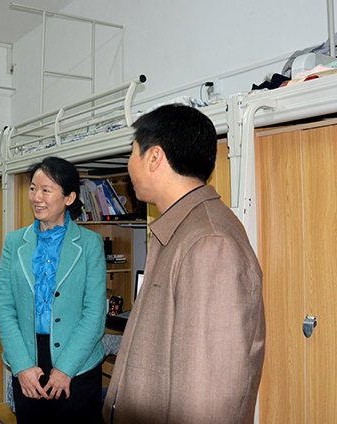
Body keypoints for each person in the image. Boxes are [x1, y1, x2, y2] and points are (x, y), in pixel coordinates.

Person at [102, 104, 265, 424]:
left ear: (154, 157)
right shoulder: (184, 230)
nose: (128, 164)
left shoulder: (209, 244)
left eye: (132, 152)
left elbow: (207, 396)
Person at [0, 156, 107, 424]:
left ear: (69, 198)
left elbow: (94, 314)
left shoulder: (90, 243)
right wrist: (22, 365)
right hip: (28, 358)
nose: (37, 197)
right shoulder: (14, 242)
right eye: (33, 188)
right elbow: (4, 307)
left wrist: (65, 369)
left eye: (46, 190)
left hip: (78, 362)